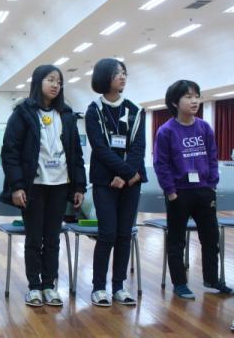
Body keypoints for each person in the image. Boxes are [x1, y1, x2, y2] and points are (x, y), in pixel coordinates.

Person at [1, 65, 86, 306]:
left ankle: (49, 285)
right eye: (50, 80)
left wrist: (79, 186)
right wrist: (17, 186)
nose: (55, 85)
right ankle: (34, 287)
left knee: (52, 239)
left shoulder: (66, 114)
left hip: (60, 184)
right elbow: (10, 152)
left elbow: (76, 154)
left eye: (59, 81)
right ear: (38, 82)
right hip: (34, 185)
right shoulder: (23, 113)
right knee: (34, 238)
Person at [153, 80, 231, 299]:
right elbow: (161, 164)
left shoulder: (204, 128)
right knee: (177, 240)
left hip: (204, 190)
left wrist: (212, 184)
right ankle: (180, 283)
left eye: (197, 96)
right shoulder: (166, 131)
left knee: (211, 237)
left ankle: (212, 279)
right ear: (175, 102)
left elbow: (212, 157)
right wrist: (170, 191)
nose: (194, 101)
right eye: (188, 97)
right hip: (179, 192)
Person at [85, 58, 146, 307]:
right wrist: (125, 172)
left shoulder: (136, 110)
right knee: (107, 233)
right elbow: (100, 148)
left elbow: (139, 147)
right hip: (105, 181)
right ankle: (99, 287)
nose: (122, 76)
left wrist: (126, 175)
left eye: (124, 73)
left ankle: (119, 286)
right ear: (104, 77)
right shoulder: (94, 110)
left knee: (124, 234)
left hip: (131, 182)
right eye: (117, 73)